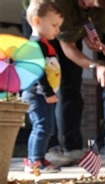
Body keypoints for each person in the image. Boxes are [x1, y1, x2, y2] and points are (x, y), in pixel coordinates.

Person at [22, 0, 105, 166]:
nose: (91, 5)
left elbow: (84, 28)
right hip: (44, 19)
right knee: (43, 121)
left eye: (95, 5)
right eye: (89, 1)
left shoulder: (102, 5)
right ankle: (44, 153)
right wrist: (95, 67)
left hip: (65, 28)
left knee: (71, 86)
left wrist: (91, 36)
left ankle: (70, 147)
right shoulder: (56, 11)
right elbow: (65, 47)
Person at [22, 0, 64, 173]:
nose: (58, 30)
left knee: (46, 127)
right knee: (42, 127)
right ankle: (34, 161)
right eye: (54, 25)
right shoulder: (35, 45)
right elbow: (38, 72)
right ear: (38, 21)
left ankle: (38, 158)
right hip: (37, 94)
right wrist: (48, 93)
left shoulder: (45, 44)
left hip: (43, 94)